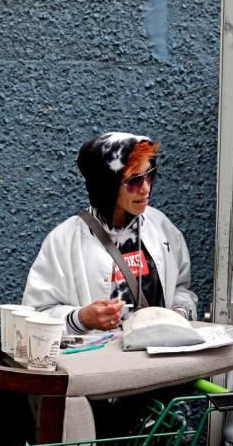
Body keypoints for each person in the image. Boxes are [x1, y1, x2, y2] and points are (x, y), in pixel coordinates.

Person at [22, 131, 198, 332]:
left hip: (158, 359)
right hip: (100, 361)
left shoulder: (161, 226)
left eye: (150, 175)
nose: (146, 188)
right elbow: (34, 316)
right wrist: (80, 319)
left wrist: (180, 312)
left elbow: (180, 288)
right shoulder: (63, 241)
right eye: (134, 180)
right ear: (106, 185)